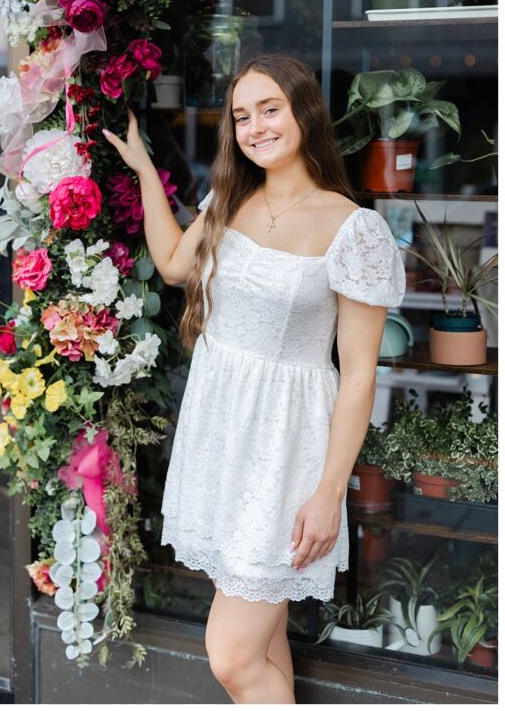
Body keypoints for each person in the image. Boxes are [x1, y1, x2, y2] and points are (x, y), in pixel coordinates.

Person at [103, 52, 404, 703]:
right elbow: (175, 265)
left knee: (232, 655)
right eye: (242, 115)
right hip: (221, 441)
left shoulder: (355, 230)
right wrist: (144, 173)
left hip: (284, 452)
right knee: (263, 648)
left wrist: (329, 493)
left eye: (270, 109)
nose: (255, 126)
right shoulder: (231, 199)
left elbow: (357, 377)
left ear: (305, 113)